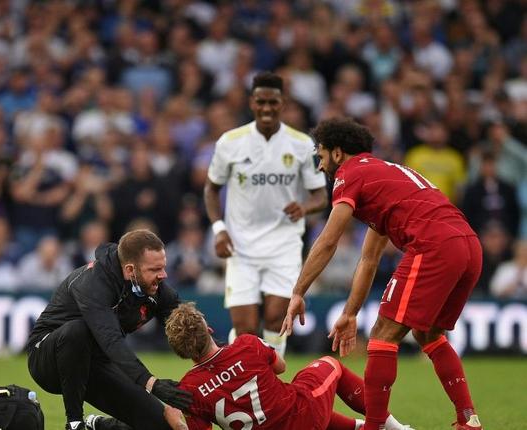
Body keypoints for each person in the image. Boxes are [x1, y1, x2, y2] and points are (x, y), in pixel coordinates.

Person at [281, 117, 483, 430]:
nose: (319, 167)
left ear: (337, 153)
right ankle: (468, 420)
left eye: (319, 156)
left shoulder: (349, 174)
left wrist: (298, 291)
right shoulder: (384, 174)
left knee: (382, 337)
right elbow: (369, 259)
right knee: (428, 333)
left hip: (435, 245)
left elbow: (328, 240)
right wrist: (350, 313)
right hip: (469, 246)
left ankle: (373, 427)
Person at [204, 71, 327, 356]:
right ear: (252, 102)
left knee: (275, 317)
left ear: (282, 103)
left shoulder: (301, 144)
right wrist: (219, 229)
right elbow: (211, 189)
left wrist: (305, 207)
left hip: (283, 243)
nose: (267, 108)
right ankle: (243, 384)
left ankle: (271, 385)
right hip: (241, 244)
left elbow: (320, 195)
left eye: (273, 102)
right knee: (245, 326)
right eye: (261, 101)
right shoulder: (230, 142)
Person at [26, 229, 192, 430]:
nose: (163, 275)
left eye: (163, 268)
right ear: (130, 270)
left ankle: (99, 426)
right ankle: (74, 422)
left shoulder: (156, 288)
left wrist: (218, 359)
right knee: (77, 331)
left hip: (96, 363)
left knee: (161, 426)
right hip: (48, 359)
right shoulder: (93, 283)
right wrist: (152, 384)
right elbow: (111, 340)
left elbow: (189, 325)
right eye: (155, 269)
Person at [162, 302, 411, 430]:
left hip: (279, 421)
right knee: (329, 364)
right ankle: (392, 426)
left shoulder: (189, 389)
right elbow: (280, 366)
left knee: (287, 404)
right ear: (209, 329)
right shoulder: (245, 344)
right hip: (301, 418)